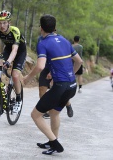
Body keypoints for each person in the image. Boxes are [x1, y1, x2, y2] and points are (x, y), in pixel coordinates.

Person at [23, 14, 82, 155]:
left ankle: (56, 144)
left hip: (60, 87)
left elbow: (40, 66)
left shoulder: (43, 43)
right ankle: (52, 141)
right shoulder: (65, 41)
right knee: (54, 113)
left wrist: (26, 78)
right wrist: (69, 75)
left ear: (41, 28)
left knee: (35, 115)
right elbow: (79, 61)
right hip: (72, 86)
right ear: (54, 27)